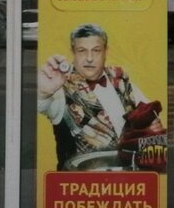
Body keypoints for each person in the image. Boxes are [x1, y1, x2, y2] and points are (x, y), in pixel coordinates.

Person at [38, 23, 166, 171]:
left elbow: (149, 114)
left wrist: (152, 128)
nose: (89, 58)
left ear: (106, 51)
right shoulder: (60, 87)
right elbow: (41, 104)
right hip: (80, 181)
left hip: (129, 179)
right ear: (73, 52)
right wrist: (43, 92)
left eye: (96, 50)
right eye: (82, 51)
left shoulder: (120, 77)